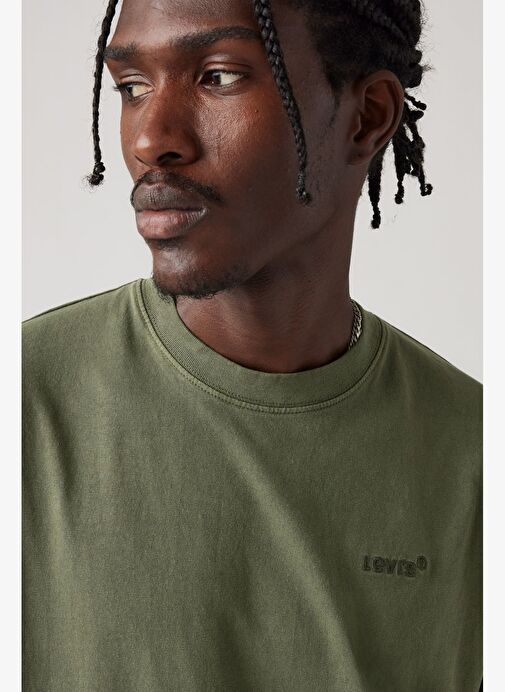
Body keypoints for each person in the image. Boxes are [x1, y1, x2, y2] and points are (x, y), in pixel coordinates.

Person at [22, 1, 482, 690]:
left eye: (218, 76)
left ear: (366, 118)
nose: (151, 139)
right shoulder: (25, 404)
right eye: (132, 87)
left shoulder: (473, 453)